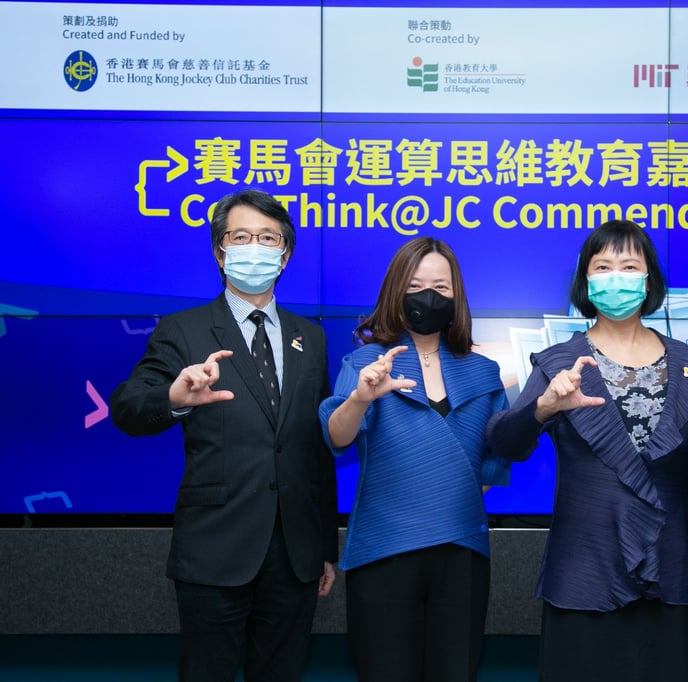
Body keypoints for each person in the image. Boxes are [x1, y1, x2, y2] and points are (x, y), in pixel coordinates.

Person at [110, 189, 338, 682]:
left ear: (285, 254)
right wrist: (173, 397)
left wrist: (323, 546)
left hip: (295, 551)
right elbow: (128, 409)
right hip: (216, 547)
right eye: (241, 236)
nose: (254, 247)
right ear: (220, 251)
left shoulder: (311, 336)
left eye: (267, 238)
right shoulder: (183, 330)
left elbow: (314, 448)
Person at [486, 220, 688, 682]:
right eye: (603, 266)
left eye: (629, 265)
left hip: (672, 559)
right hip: (586, 564)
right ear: (586, 279)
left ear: (649, 278)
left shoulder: (687, 362)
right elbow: (504, 444)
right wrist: (543, 408)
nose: (616, 276)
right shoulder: (559, 361)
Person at [320, 237, 511, 682]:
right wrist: (361, 398)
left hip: (462, 553)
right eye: (416, 283)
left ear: (457, 295)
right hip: (382, 552)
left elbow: (492, 460)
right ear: (394, 290)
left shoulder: (483, 371)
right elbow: (337, 438)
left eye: (441, 287)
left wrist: (441, 497)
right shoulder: (367, 361)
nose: (429, 295)